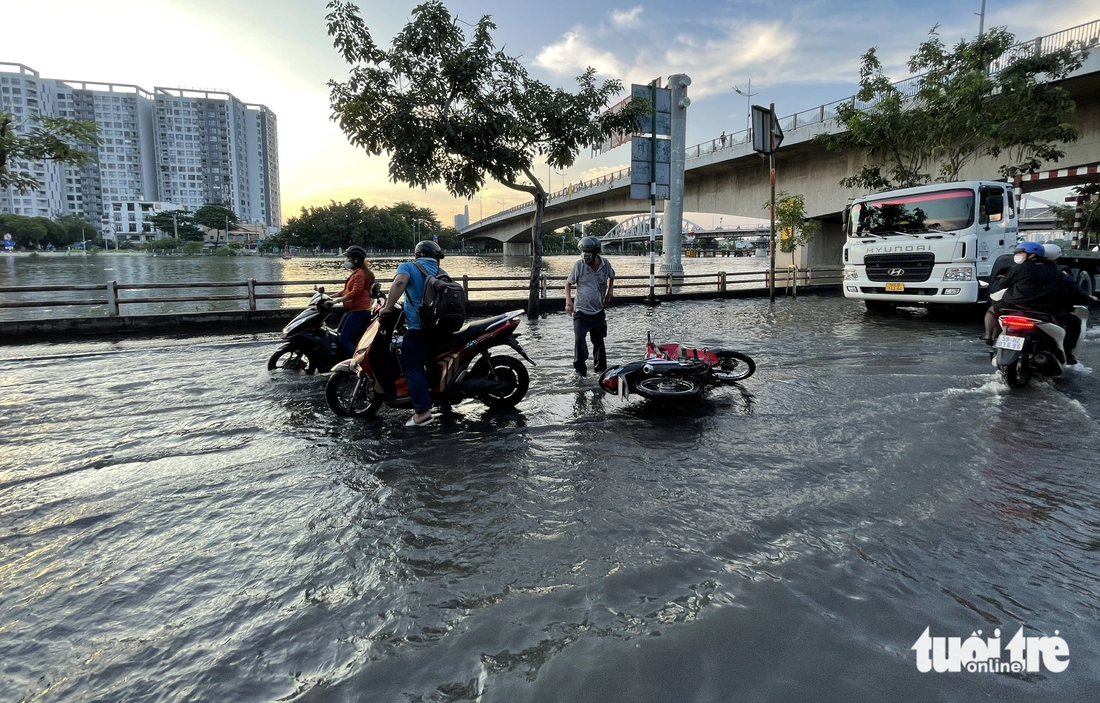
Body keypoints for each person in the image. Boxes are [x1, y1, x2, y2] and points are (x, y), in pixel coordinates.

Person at [984, 241, 1097, 364]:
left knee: (992, 311)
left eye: (1021, 253)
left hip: (1014, 306)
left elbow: (1003, 284)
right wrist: (1089, 299)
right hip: (1045, 311)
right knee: (1075, 322)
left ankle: (990, 337)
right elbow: (1075, 294)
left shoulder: (1018, 269)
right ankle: (1068, 354)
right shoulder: (1058, 274)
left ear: (1032, 255)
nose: (1018, 256)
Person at [378, 240, 447, 426]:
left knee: (413, 367)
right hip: (441, 330)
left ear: (417, 254)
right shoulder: (442, 273)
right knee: (431, 362)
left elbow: (400, 282)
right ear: (436, 257)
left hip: (419, 330)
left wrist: (388, 307)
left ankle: (423, 413)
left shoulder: (408, 266)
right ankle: (441, 396)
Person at [565, 236, 615, 376]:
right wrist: (569, 302)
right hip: (581, 311)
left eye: (589, 252)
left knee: (599, 342)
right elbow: (568, 284)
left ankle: (601, 372)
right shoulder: (579, 265)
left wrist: (609, 293)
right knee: (579, 340)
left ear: (596, 252)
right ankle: (580, 371)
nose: (585, 254)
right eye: (583, 251)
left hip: (598, 310)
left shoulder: (605, 264)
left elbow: (612, 277)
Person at [330, 246, 376, 357]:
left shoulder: (360, 273)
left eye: (348, 258)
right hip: (353, 309)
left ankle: (357, 363)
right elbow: (347, 290)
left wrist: (339, 300)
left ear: (356, 260)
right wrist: (331, 296)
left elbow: (356, 292)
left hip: (359, 310)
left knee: (343, 340)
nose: (346, 260)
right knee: (338, 334)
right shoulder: (356, 272)